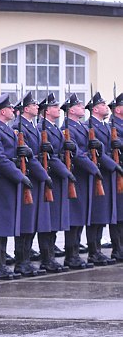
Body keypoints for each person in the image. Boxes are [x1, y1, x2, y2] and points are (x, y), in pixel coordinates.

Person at [11, 92, 52, 276]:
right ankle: (21, 261)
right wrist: (43, 175)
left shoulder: (33, 126)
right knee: (25, 222)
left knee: (32, 221)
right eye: (34, 105)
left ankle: (26, 259)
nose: (38, 107)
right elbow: (27, 156)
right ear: (26, 108)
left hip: (34, 175)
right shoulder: (19, 127)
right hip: (27, 174)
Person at [0, 94, 27, 281]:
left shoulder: (7, 128)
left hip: (7, 180)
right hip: (0, 180)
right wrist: (19, 175)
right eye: (11, 108)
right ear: (3, 111)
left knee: (5, 225)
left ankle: (2, 263)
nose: (14, 111)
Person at [36, 94, 72, 272]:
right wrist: (66, 172)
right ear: (46, 111)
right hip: (49, 175)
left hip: (57, 177)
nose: (58, 109)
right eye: (55, 107)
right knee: (47, 220)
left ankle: (50, 256)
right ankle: (46, 258)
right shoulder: (41, 128)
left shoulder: (56, 129)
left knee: (55, 218)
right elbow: (50, 158)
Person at [61, 94, 97, 269]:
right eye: (79, 106)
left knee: (81, 215)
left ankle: (75, 253)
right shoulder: (67, 128)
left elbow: (91, 147)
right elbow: (76, 154)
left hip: (84, 175)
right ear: (71, 110)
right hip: (76, 174)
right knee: (74, 217)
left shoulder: (81, 126)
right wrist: (92, 167)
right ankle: (71, 254)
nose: (83, 108)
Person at [86, 92, 119, 265]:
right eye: (103, 104)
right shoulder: (89, 125)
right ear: (95, 108)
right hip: (97, 172)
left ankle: (97, 250)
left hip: (106, 173)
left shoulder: (106, 126)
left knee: (104, 213)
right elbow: (97, 153)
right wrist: (114, 165)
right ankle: (93, 250)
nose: (107, 107)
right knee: (96, 214)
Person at [109, 93, 123, 262]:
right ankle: (117, 247)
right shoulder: (113, 125)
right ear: (118, 109)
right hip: (118, 171)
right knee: (118, 212)